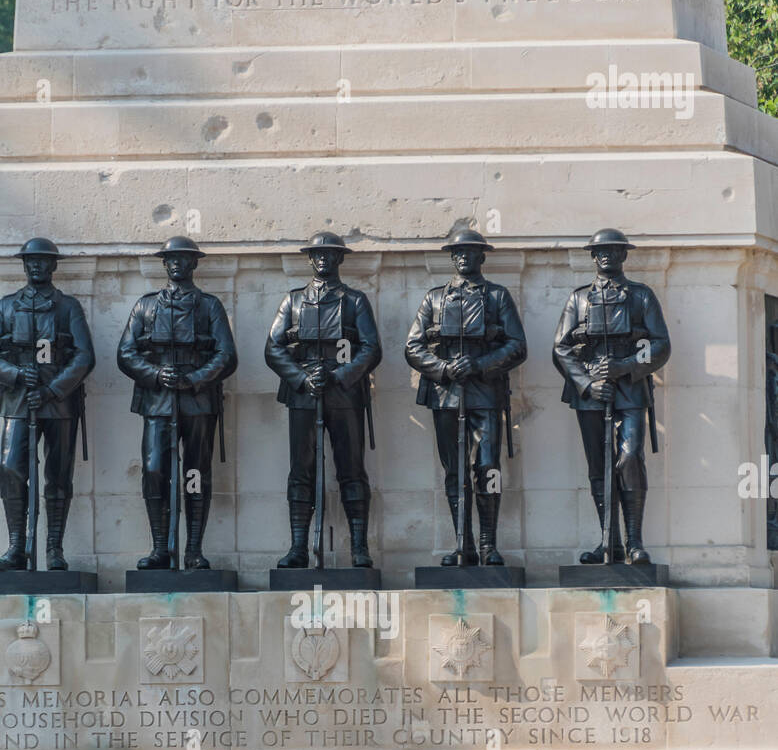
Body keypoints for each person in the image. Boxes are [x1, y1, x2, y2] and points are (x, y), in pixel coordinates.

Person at [405, 229, 527, 566]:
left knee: (488, 466)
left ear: (481, 256)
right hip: (446, 395)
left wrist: (479, 365)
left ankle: (488, 543)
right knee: (454, 471)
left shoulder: (498, 296)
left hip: (485, 393)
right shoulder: (434, 298)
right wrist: (443, 369)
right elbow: (413, 347)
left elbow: (517, 346)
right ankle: (464, 543)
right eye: (458, 252)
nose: (463, 257)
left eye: (470, 252)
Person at [117, 235, 238, 569]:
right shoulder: (145, 305)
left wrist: (195, 378)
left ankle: (194, 550)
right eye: (171, 259)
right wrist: (156, 375)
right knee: (155, 471)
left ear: (194, 263)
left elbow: (226, 355)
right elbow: (126, 353)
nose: (177, 264)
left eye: (184, 259)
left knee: (195, 473)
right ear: (164, 264)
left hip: (197, 402)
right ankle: (160, 548)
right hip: (157, 401)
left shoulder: (210, 305)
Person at [0, 237, 95, 571]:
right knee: (11, 468)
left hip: (58, 403)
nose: (37, 266)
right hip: (17, 401)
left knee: (58, 475)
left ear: (53, 265)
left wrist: (53, 389)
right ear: (24, 265)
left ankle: (54, 548)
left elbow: (85, 356)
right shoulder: (7, 306)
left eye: (43, 261)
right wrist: (15, 374)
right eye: (31, 261)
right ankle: (16, 546)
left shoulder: (67, 307)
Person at [552, 228, 671, 565]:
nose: (606, 255)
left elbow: (660, 345)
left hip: (630, 389)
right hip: (591, 392)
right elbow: (560, 349)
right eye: (600, 250)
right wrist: (588, 384)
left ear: (624, 255)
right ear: (593, 256)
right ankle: (609, 541)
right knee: (599, 467)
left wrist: (626, 366)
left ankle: (635, 541)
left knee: (630, 457)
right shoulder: (579, 298)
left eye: (613, 250)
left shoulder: (641, 295)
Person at [265, 232, 382, 568]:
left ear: (340, 259)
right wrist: (302, 378)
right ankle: (298, 547)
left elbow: (371, 348)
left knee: (351, 468)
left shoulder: (355, 300)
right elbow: (273, 348)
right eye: (318, 254)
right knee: (301, 470)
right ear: (310, 258)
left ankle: (359, 547)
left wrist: (340, 375)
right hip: (304, 395)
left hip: (344, 395)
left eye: (330, 254)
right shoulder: (293, 301)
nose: (324, 260)